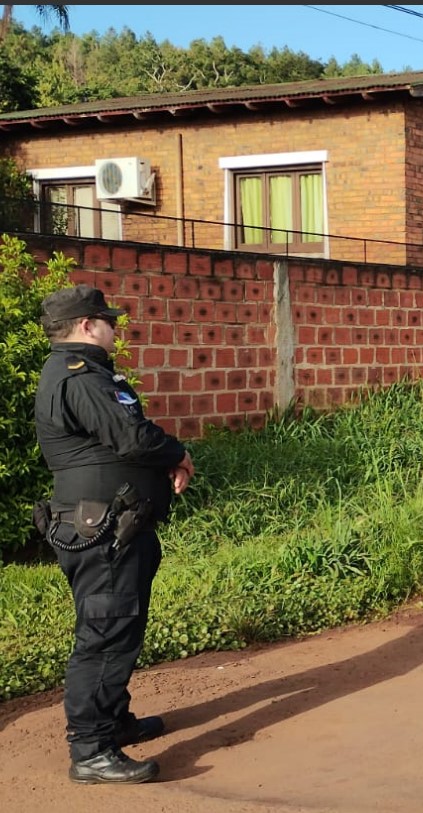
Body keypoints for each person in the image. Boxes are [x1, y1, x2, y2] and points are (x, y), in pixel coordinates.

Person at [33, 283, 195, 785]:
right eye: (108, 321)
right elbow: (130, 437)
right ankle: (92, 748)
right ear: (86, 325)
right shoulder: (80, 377)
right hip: (102, 529)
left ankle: (114, 721)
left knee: (117, 623)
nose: (115, 328)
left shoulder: (82, 373)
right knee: (105, 632)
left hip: (111, 525)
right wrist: (177, 452)